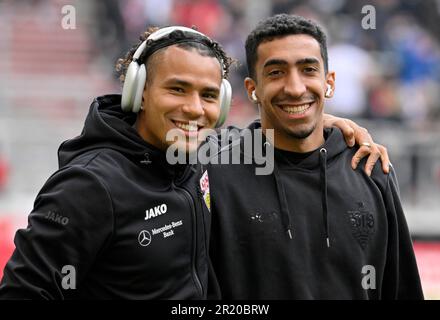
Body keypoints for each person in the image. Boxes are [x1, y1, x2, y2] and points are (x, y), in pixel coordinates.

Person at [0, 24, 387, 300]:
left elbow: (266, 136)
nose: (193, 109)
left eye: (206, 95)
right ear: (140, 92)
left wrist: (327, 125)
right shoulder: (90, 184)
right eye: (177, 89)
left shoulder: (197, 156)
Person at [208, 14, 423, 299]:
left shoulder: (371, 167)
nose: (295, 88)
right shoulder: (216, 171)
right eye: (275, 73)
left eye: (308, 70)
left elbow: (400, 289)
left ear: (329, 82)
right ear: (252, 89)